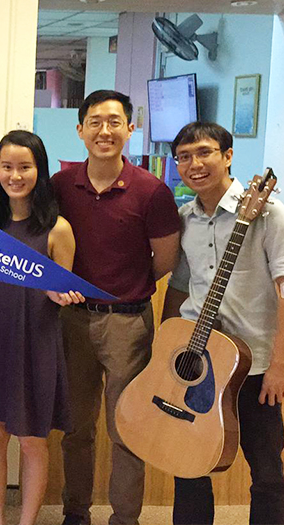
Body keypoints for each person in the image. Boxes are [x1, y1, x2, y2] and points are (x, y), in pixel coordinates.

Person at [52, 90, 181, 525]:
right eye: (94, 122)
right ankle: (75, 513)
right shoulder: (60, 186)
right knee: (76, 430)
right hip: (72, 320)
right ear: (80, 130)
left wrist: (129, 286)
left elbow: (164, 259)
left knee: (127, 429)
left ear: (130, 128)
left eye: (113, 122)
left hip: (128, 323)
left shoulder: (152, 191)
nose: (104, 131)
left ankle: (125, 519)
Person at [164, 121, 284, 525]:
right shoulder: (184, 219)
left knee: (267, 472)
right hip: (199, 364)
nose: (194, 164)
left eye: (204, 152)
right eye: (183, 156)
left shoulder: (269, 215)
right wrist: (164, 359)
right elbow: (181, 289)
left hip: (256, 366)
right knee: (189, 465)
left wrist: (281, 366)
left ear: (228, 155)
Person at [0, 130, 84, 525]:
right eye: (7, 167)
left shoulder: (58, 229)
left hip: (35, 341)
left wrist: (58, 294)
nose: (15, 175)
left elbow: (59, 289)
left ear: (40, 171)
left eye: (25, 167)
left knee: (33, 440)